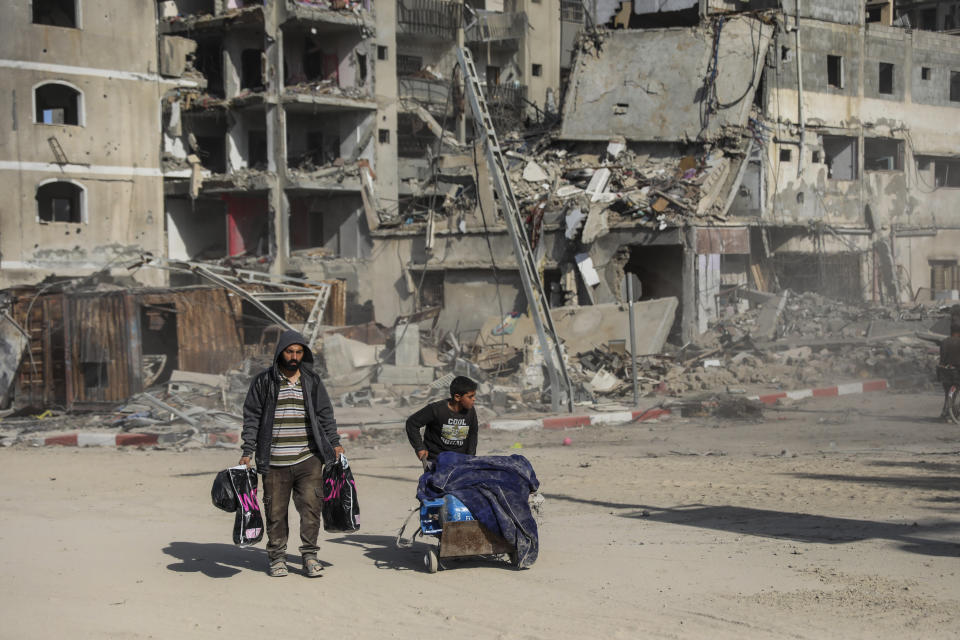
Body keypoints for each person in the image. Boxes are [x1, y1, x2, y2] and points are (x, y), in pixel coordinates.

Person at [239, 329, 344, 578]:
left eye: (299, 352)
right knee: (275, 513)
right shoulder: (264, 382)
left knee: (311, 509)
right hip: (274, 461)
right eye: (290, 351)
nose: (294, 356)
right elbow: (252, 416)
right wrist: (247, 450)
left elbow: (325, 414)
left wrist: (335, 442)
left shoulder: (312, 381)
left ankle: (309, 556)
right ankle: (277, 558)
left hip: (309, 460)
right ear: (280, 352)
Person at [406, 376, 479, 463]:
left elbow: (473, 434)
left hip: (459, 459)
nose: (474, 399)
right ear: (457, 397)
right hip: (436, 459)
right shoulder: (436, 410)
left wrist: (470, 457)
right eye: (470, 397)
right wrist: (420, 448)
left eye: (474, 396)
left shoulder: (470, 411)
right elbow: (412, 423)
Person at [939, 318, 960, 420]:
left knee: (947, 393)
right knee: (955, 391)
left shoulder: (944, 342)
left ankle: (945, 412)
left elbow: (942, 360)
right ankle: (954, 413)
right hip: (958, 372)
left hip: (946, 372)